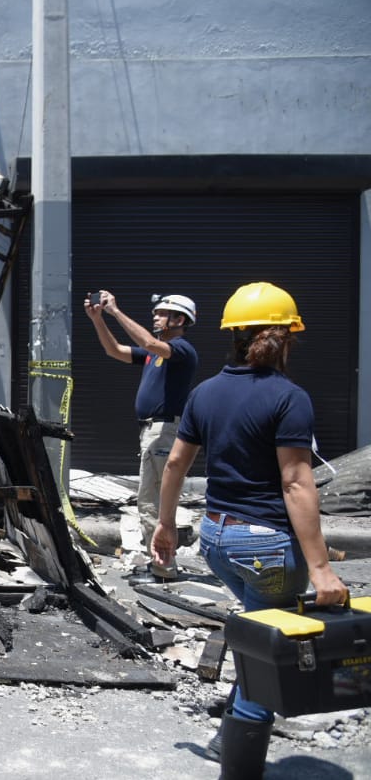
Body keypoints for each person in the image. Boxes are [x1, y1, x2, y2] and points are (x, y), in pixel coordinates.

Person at [151, 281, 348, 779]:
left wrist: (166, 525)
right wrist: (321, 570)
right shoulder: (289, 398)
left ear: (233, 336)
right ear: (286, 338)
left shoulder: (206, 392)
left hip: (217, 537)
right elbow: (297, 482)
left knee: (259, 634)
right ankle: (237, 764)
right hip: (266, 546)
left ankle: (228, 734)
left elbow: (174, 464)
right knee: (272, 659)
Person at [84, 289, 199, 577]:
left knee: (152, 500)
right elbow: (115, 351)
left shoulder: (182, 349)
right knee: (150, 498)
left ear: (179, 319)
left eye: (162, 313)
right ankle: (160, 562)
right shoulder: (154, 354)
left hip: (163, 430)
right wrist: (98, 319)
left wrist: (116, 312)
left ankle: (164, 566)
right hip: (151, 430)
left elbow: (147, 340)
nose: (155, 316)